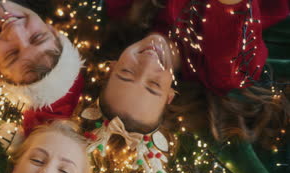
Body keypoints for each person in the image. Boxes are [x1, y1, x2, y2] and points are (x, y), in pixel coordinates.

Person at [98, 0, 290, 144]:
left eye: (126, 72)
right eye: (154, 84)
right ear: (169, 96)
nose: (148, 64)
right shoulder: (222, 70)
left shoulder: (123, 7)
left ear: (112, 66)